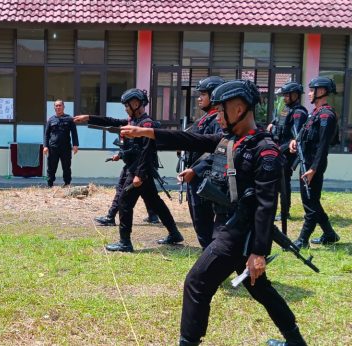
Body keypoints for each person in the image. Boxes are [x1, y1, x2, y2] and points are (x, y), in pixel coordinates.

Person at [120, 80, 307, 346]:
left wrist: (258, 253)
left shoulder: (263, 149)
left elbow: (266, 206)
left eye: (222, 111)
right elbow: (190, 138)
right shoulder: (232, 140)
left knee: (197, 283)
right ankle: (296, 341)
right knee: (259, 288)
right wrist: (144, 132)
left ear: (240, 108)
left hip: (237, 233)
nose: (217, 116)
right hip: (227, 224)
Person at [74, 88, 183, 252]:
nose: (125, 108)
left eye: (127, 105)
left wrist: (139, 175)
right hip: (136, 168)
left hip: (140, 170)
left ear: (136, 103)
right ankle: (174, 234)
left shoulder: (146, 124)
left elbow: (147, 151)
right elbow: (111, 121)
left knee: (125, 202)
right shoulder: (132, 121)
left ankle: (125, 242)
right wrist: (89, 118)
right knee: (156, 203)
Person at [290, 77, 340, 248]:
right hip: (307, 162)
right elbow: (305, 134)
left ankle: (303, 239)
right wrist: (295, 141)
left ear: (321, 91)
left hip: (313, 165)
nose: (309, 93)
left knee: (310, 202)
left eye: (312, 90)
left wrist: (313, 169)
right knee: (312, 201)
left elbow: (324, 146)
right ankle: (330, 234)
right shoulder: (315, 113)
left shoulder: (327, 115)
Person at [177, 76, 225, 248]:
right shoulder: (204, 119)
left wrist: (195, 170)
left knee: (205, 223)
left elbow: (220, 151)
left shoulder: (218, 120)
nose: (199, 98)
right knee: (199, 222)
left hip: (207, 179)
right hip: (195, 178)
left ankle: (212, 257)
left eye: (203, 94)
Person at [267, 82, 308, 225]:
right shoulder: (286, 109)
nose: (284, 97)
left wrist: (279, 149)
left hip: (287, 153)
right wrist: (272, 124)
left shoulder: (299, 112)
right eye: (283, 94)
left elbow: (297, 137)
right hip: (279, 149)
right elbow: (278, 122)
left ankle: (285, 211)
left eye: (286, 94)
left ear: (295, 95)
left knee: (284, 183)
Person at [44, 99, 79, 187]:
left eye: (60, 105)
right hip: (53, 148)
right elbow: (46, 134)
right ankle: (50, 184)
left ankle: (67, 184)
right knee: (51, 167)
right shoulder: (50, 120)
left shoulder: (69, 119)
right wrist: (45, 146)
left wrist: (75, 145)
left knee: (66, 167)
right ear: (54, 108)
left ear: (63, 107)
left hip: (66, 148)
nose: (58, 107)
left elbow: (74, 132)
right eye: (56, 106)